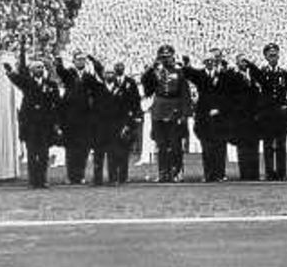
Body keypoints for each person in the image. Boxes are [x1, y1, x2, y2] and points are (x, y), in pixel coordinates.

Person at [4, 38, 60, 189]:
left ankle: (42, 179)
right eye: (37, 68)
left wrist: (55, 123)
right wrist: (10, 70)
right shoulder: (27, 83)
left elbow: (56, 104)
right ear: (32, 70)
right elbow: (17, 75)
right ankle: (33, 180)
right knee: (31, 153)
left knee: (43, 154)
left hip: (45, 124)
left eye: (41, 67)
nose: (39, 70)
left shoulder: (51, 85)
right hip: (30, 124)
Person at [86, 56, 142, 185]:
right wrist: (94, 62)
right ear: (103, 75)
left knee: (113, 153)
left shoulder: (122, 89)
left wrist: (126, 124)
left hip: (115, 126)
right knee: (98, 154)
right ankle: (97, 179)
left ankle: (113, 178)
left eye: (111, 73)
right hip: (100, 126)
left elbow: (126, 108)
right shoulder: (97, 88)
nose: (109, 75)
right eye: (107, 73)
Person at [140, 45, 193, 183]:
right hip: (159, 108)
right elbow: (147, 87)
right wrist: (151, 68)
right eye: (162, 57)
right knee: (161, 144)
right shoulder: (155, 72)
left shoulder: (179, 72)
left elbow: (185, 93)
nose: (165, 59)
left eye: (168, 56)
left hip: (175, 108)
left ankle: (177, 171)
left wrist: (185, 114)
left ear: (172, 56)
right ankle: (163, 172)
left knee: (175, 144)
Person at [182, 49, 232, 182]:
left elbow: (227, 96)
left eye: (212, 61)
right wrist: (186, 64)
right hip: (204, 116)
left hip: (219, 117)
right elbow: (188, 73)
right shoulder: (200, 75)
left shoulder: (223, 75)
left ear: (216, 62)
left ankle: (220, 174)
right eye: (207, 61)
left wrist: (219, 109)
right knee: (207, 147)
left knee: (220, 147)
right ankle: (209, 174)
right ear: (204, 62)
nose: (210, 63)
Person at [251, 43, 287, 181]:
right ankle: (270, 172)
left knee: (281, 144)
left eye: (275, 55)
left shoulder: (285, 74)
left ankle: (282, 173)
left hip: (281, 113)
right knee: (268, 144)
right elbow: (256, 94)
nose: (273, 58)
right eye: (270, 55)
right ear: (265, 56)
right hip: (267, 113)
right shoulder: (262, 74)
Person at [54, 51, 94, 184]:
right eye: (78, 59)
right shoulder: (69, 73)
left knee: (84, 149)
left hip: (85, 118)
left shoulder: (89, 76)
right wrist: (59, 63)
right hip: (70, 118)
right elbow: (61, 71)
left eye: (83, 59)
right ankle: (71, 176)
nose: (81, 62)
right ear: (74, 61)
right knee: (71, 149)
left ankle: (80, 175)